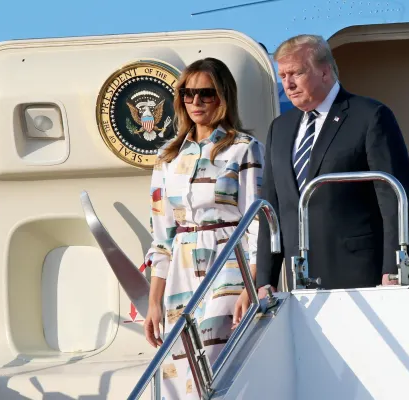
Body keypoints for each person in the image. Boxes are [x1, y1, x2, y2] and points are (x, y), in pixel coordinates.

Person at [256, 34, 409, 294]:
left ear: (324, 72)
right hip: (301, 281)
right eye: (283, 75)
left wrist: (394, 268)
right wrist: (264, 280)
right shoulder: (280, 128)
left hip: (363, 274)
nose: (288, 84)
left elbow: (395, 199)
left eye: (296, 73)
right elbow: (271, 208)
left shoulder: (370, 116)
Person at [143, 57, 264, 398]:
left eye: (206, 93)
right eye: (187, 93)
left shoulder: (244, 149)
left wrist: (251, 286)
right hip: (180, 268)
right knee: (176, 368)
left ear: (223, 97)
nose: (195, 101)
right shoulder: (167, 158)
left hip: (229, 260)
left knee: (213, 360)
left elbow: (257, 223)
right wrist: (153, 302)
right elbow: (162, 237)